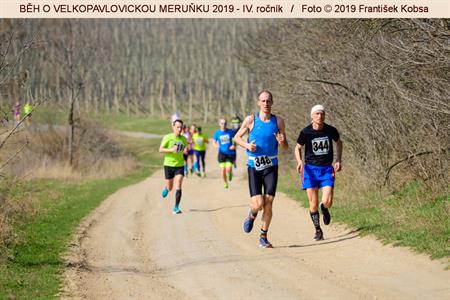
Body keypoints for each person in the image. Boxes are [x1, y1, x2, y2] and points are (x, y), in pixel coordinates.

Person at [234, 90, 288, 248]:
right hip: (254, 167)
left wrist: (282, 141)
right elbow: (236, 137)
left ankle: (263, 236)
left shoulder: (278, 122)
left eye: (268, 101)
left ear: (272, 103)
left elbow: (285, 147)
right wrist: (247, 145)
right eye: (263, 101)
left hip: (271, 166)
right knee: (258, 203)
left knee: (269, 202)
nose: (266, 104)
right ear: (258, 103)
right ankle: (252, 215)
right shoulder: (251, 120)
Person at [294, 104, 343, 241]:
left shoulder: (330, 130)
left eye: (322, 114)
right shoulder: (305, 132)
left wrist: (338, 159)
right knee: (313, 204)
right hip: (310, 170)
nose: (320, 116)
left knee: (327, 200)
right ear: (312, 116)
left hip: (326, 169)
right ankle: (318, 230)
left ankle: (324, 208)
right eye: (317, 114)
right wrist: (299, 162)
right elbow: (297, 148)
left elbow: (339, 143)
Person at [159, 119, 188, 214]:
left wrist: (185, 152)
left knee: (179, 182)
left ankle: (176, 207)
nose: (180, 129)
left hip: (179, 165)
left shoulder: (184, 139)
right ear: (173, 127)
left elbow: (183, 150)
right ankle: (167, 188)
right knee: (170, 187)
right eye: (178, 127)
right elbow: (161, 149)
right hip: (168, 165)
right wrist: (171, 150)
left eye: (181, 127)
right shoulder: (167, 137)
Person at [213, 119, 236, 189]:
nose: (224, 125)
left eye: (225, 123)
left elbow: (236, 139)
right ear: (219, 124)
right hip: (221, 154)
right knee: (223, 170)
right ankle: (225, 183)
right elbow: (214, 142)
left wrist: (234, 145)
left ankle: (229, 173)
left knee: (228, 169)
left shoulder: (231, 132)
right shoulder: (217, 133)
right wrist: (217, 145)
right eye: (222, 123)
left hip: (230, 153)